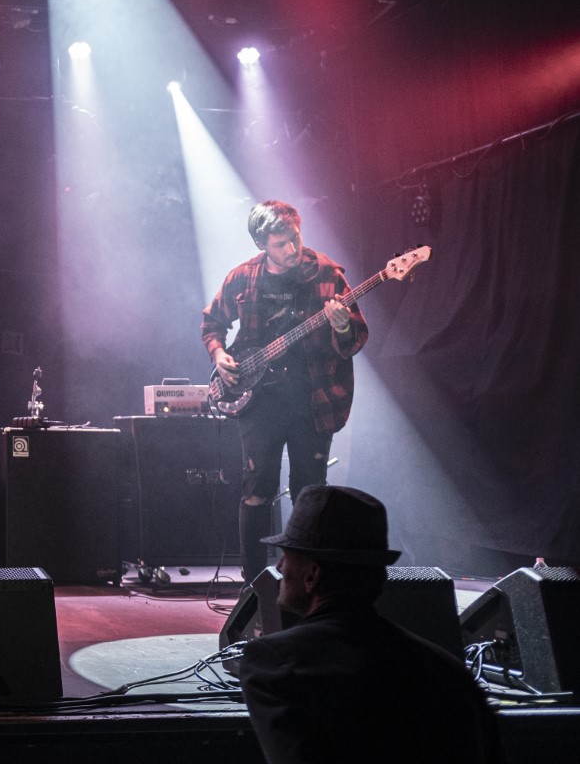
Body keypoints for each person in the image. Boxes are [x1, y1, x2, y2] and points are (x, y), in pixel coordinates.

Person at [238, 484, 501, 763]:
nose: (280, 568)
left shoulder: (274, 663)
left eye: (287, 557)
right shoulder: (448, 671)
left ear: (311, 575)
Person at [201, 200, 367, 583]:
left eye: (295, 238)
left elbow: (357, 337)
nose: (292, 249)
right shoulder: (243, 277)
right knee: (257, 488)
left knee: (309, 494)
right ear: (261, 245)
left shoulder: (327, 274)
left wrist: (342, 326)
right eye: (281, 244)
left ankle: (304, 583)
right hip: (260, 402)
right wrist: (220, 354)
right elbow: (212, 323)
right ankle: (252, 585)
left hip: (314, 399)